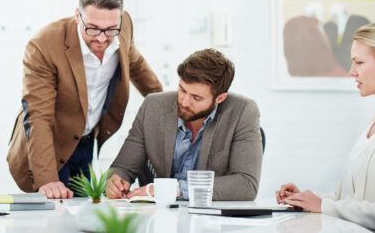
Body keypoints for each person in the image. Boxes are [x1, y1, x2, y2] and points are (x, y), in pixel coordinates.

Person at [7, 0, 163, 199]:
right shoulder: (44, 45)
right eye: (93, 28)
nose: (101, 38)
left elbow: (134, 63)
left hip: (86, 142)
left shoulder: (124, 26)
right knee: (55, 213)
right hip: (48, 144)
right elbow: (38, 117)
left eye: (110, 30)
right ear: (77, 16)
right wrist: (48, 180)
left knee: (84, 213)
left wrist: (166, 105)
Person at [276, 22, 375, 232]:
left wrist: (322, 205)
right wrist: (306, 199)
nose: (351, 72)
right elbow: (348, 199)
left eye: (359, 62)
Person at [106, 48, 263, 200]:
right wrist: (114, 182)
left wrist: (177, 189)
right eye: (182, 90)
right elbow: (122, 168)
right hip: (159, 217)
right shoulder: (153, 107)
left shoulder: (242, 112)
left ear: (219, 99)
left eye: (196, 98)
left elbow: (246, 184)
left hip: (211, 221)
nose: (184, 102)